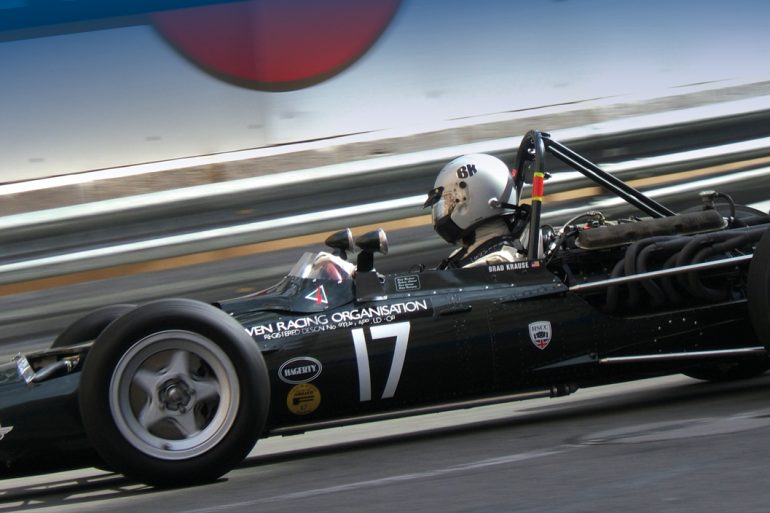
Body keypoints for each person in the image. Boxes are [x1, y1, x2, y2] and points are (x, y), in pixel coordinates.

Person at [423, 153, 530, 269]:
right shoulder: (464, 254)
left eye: (448, 202)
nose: (442, 211)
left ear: (465, 200)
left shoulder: (498, 259)